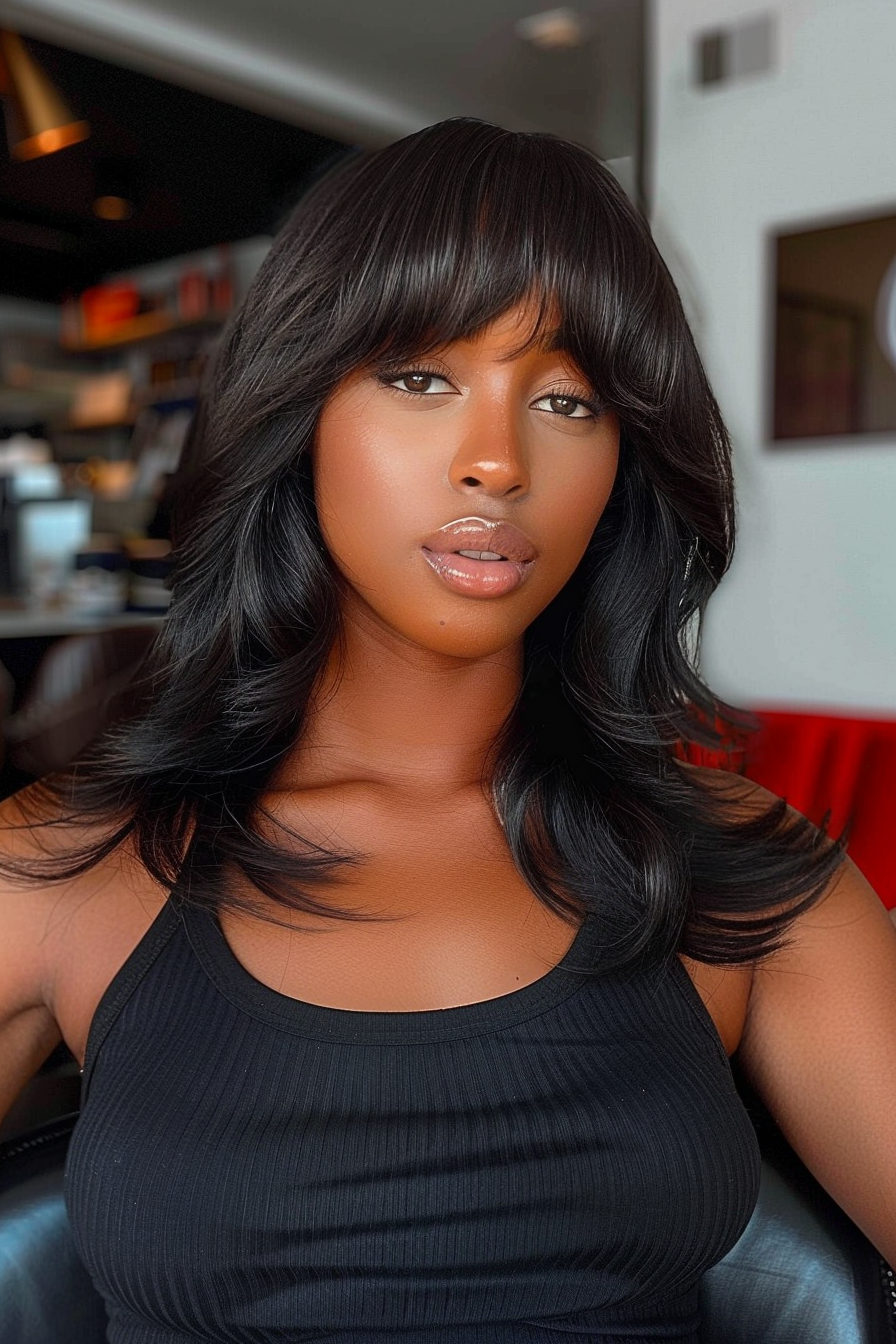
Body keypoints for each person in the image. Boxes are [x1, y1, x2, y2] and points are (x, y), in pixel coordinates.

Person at [1, 117, 894, 1343]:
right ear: (299, 407)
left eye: (568, 400)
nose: (496, 461)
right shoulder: (57, 869)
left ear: (624, 463)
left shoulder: (749, 877)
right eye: (420, 377)